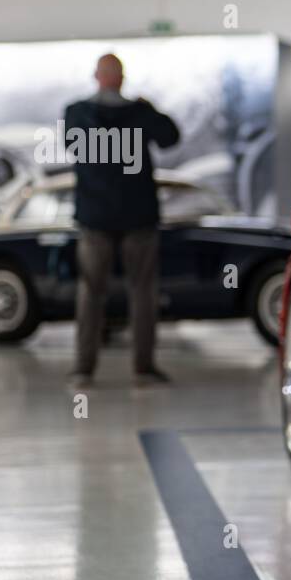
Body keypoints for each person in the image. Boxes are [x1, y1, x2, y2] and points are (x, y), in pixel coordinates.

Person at [65, 54, 180, 388]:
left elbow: (73, 146)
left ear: (95, 76)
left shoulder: (77, 113)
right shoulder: (140, 113)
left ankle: (83, 370)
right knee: (143, 292)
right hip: (138, 216)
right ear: (123, 78)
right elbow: (171, 137)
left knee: (90, 292)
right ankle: (143, 370)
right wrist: (149, 110)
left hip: (94, 217)